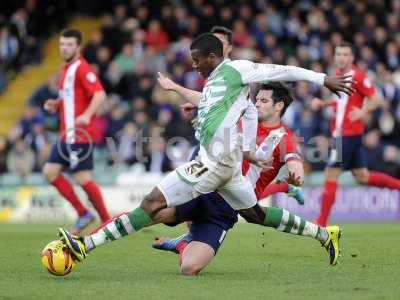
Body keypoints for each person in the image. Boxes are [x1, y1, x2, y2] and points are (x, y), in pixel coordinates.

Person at [58, 33, 351, 268]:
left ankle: (84, 246)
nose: (194, 65)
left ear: (213, 56)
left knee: (151, 204)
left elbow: (282, 69)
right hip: (229, 169)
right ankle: (325, 234)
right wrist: (244, 146)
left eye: (197, 60)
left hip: (211, 165)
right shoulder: (215, 84)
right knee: (255, 215)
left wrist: (323, 79)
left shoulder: (237, 69)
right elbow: (246, 111)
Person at [150, 83, 328, 275]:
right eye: (257, 99)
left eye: (264, 100)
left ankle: (185, 243)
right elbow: (216, 104)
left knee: (189, 268)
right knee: (154, 212)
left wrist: (296, 173)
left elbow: (295, 161)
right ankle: (117, 229)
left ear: (279, 106)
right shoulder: (243, 120)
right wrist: (200, 113)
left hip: (228, 206)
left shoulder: (285, 137)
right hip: (207, 188)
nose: (257, 104)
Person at [312, 42, 400, 226]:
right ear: (334, 57)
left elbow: (376, 99)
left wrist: (362, 112)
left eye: (345, 54)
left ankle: (321, 222)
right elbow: (341, 102)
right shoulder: (337, 76)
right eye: (339, 54)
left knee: (330, 174)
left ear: (351, 58)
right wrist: (324, 104)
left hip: (347, 135)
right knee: (362, 177)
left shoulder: (358, 76)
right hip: (345, 134)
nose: (342, 58)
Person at [42, 29, 111, 234]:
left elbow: (99, 94)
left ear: (78, 46)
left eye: (69, 44)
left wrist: (88, 114)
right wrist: (57, 104)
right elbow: (71, 98)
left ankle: (106, 219)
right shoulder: (65, 69)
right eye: (62, 44)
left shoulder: (82, 68)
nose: (65, 48)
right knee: (50, 172)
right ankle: (83, 214)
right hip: (66, 135)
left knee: (82, 177)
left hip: (80, 134)